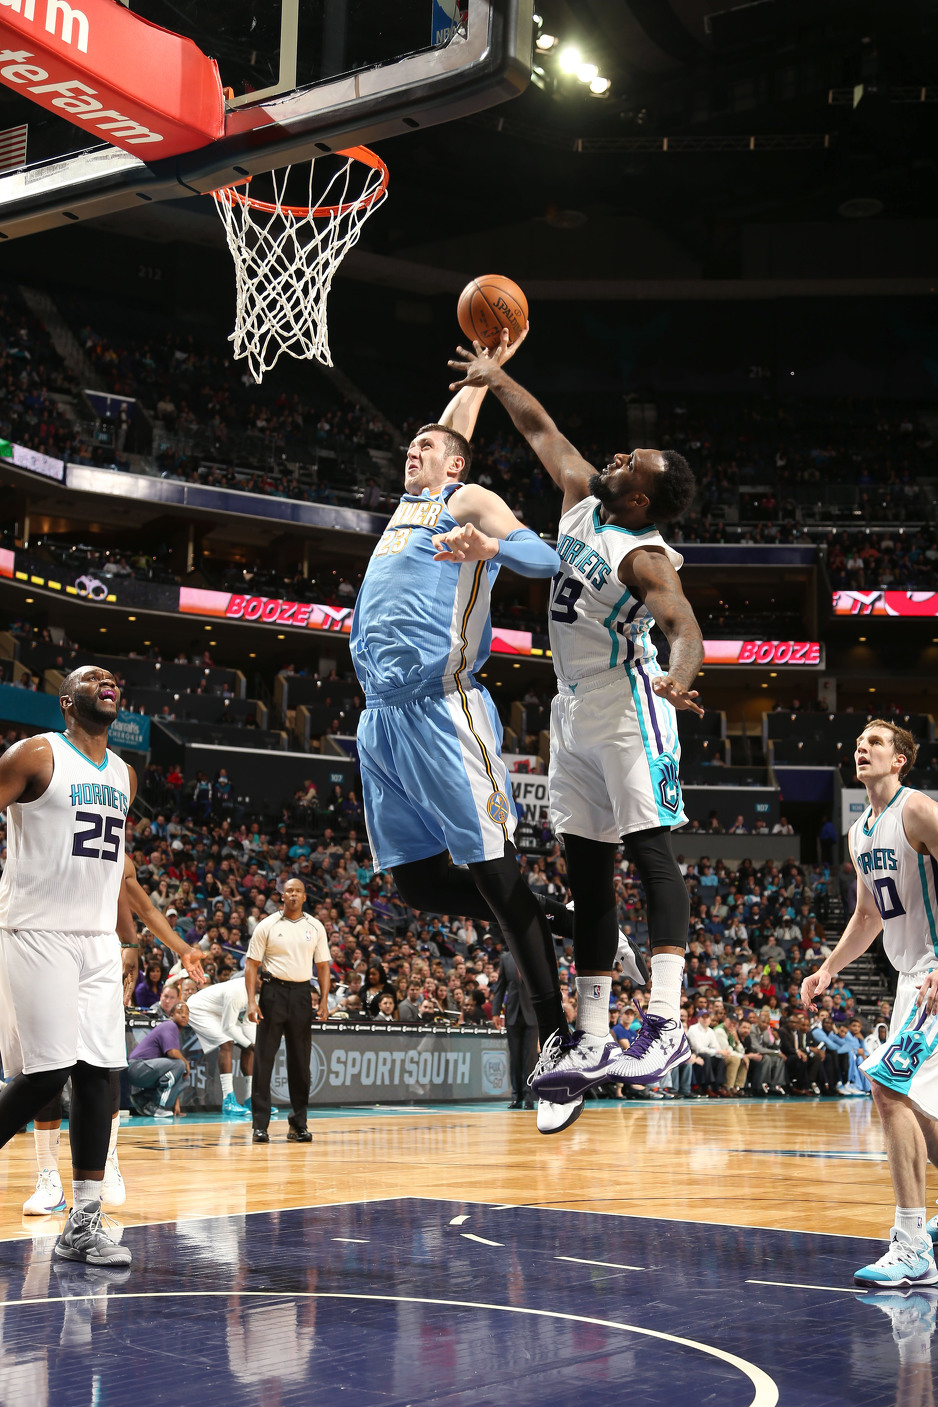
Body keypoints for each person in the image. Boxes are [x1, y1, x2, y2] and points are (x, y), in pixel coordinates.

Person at [447, 341, 702, 1112]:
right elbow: (539, 427)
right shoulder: (584, 494)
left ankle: (665, 1020)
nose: (617, 458)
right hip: (572, 706)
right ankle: (591, 1033)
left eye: (632, 463)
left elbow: (684, 626)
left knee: (649, 849)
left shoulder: (645, 556)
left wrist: (679, 676)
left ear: (642, 500)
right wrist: (496, 377)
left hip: (630, 702)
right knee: (587, 871)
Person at [349, 333, 578, 1135]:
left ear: (453, 466)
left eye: (426, 447)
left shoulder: (468, 500)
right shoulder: (410, 505)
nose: (411, 449)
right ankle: (562, 915)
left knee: (494, 876)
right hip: (380, 718)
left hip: (442, 710)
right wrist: (483, 371)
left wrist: (492, 546)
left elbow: (545, 557)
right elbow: (450, 430)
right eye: (410, 444)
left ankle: (560, 1047)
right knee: (416, 885)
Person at [0, 666, 134, 1266]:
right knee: (47, 1073)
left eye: (111, 678)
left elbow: (115, 865)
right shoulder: (35, 755)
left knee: (100, 1073)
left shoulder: (125, 774)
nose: (107, 680)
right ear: (66, 701)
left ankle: (83, 1221)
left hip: (97, 938)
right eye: (92, 677)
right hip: (37, 929)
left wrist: (128, 939)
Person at [803, 718, 938, 1288]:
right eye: (859, 743)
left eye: (875, 742)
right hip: (910, 979)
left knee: (886, 1087)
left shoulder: (919, 811)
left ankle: (912, 1246)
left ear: (899, 759)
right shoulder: (861, 830)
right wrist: (828, 969)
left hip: (935, 973)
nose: (863, 748)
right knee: (917, 1108)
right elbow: (866, 916)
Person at [24, 851, 205, 1216]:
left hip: (100, 953)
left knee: (104, 1063)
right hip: (45, 947)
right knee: (46, 1065)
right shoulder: (46, 833)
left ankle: (107, 1158)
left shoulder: (114, 847)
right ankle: (47, 1177)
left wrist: (171, 947)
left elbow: (144, 906)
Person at [246, 878, 330, 1143]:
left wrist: (324, 1000)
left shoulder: (315, 926)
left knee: (300, 1062)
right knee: (264, 1059)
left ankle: (298, 1125)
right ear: (281, 896)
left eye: (298, 891)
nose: (293, 894)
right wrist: (251, 1001)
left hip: (302, 994)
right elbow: (251, 964)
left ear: (304, 897)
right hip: (273, 993)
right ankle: (260, 1126)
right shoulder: (267, 925)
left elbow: (323, 966)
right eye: (289, 890)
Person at [186, 975, 255, 1118]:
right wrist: (251, 1045)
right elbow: (229, 1028)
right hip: (198, 1009)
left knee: (248, 1046)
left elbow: (248, 1023)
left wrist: (253, 1045)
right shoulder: (238, 991)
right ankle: (228, 1101)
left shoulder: (259, 993)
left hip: (218, 1012)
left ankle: (251, 1100)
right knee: (227, 1042)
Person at [490, 948, 537, 1110]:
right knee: (515, 1058)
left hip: (532, 1014)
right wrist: (495, 1012)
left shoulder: (534, 955)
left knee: (530, 1059)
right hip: (512, 1014)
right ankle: (517, 1097)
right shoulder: (505, 958)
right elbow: (500, 987)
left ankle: (530, 1097)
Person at [126, 1001, 190, 1117]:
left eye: (186, 1013)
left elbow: (173, 1076)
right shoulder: (170, 1025)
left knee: (185, 1079)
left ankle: (142, 1099)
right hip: (137, 1067)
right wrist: (186, 1063)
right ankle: (156, 1106)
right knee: (180, 1064)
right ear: (171, 1015)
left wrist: (176, 1102)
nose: (184, 1015)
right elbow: (172, 1053)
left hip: (143, 1070)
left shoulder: (173, 1031)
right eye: (180, 1012)